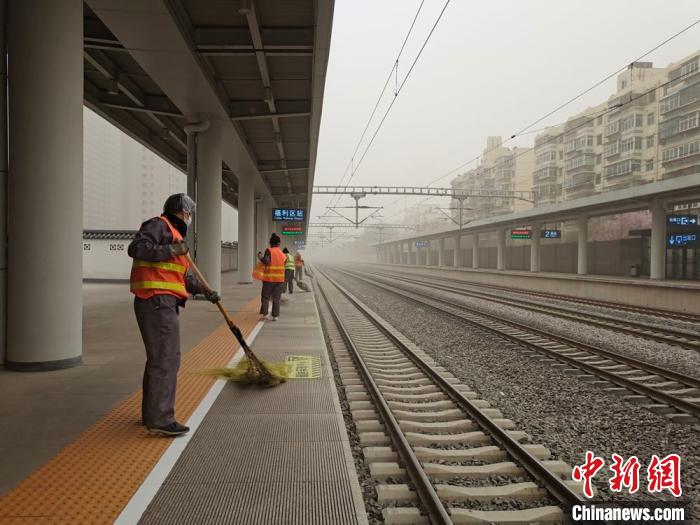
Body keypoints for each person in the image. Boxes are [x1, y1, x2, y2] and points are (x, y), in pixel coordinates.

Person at [128, 193, 220, 437]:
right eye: (189, 214)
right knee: (167, 359)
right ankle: (161, 418)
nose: (190, 218)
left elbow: (184, 279)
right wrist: (170, 249)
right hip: (156, 300)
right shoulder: (159, 225)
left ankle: (152, 414)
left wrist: (206, 291)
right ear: (183, 212)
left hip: (162, 301)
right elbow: (136, 248)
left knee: (159, 359)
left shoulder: (178, 238)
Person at [259, 233, 286, 321]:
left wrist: (260, 257)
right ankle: (275, 316)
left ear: (270, 243)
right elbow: (284, 264)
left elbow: (266, 261)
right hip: (280, 279)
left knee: (265, 296)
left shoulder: (269, 251)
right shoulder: (282, 253)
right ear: (279, 244)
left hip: (269, 279)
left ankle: (265, 315)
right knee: (276, 298)